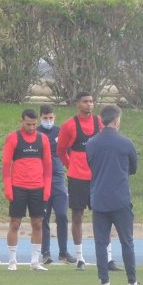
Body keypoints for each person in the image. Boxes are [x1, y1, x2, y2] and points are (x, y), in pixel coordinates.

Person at [84, 105, 143, 285]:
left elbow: (90, 164)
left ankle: (104, 282)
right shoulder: (125, 142)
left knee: (101, 242)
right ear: (116, 119)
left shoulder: (92, 143)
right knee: (127, 241)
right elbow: (133, 168)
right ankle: (132, 281)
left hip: (99, 197)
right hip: (120, 198)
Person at [57, 91, 104, 271]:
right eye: (85, 101)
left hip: (97, 178)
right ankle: (80, 258)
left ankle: (106, 257)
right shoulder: (69, 125)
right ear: (78, 104)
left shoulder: (100, 123)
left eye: (91, 101)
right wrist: (71, 166)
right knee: (77, 216)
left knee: (103, 216)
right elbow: (61, 150)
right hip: (77, 178)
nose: (89, 104)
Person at [3, 109, 53, 271]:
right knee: (15, 224)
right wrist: (8, 187)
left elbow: (48, 166)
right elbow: (6, 165)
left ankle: (35, 262)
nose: (31, 127)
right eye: (28, 124)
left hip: (38, 188)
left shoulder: (43, 139)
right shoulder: (13, 138)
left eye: (34, 124)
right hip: (18, 188)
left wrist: (47, 188)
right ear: (22, 121)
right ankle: (12, 261)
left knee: (38, 224)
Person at [38, 104, 72, 265]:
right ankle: (45, 252)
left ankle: (63, 252)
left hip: (58, 178)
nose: (48, 120)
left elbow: (68, 152)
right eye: (45, 118)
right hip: (41, 178)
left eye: (51, 117)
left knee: (62, 215)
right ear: (40, 117)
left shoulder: (60, 132)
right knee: (43, 217)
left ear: (54, 117)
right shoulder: (36, 132)